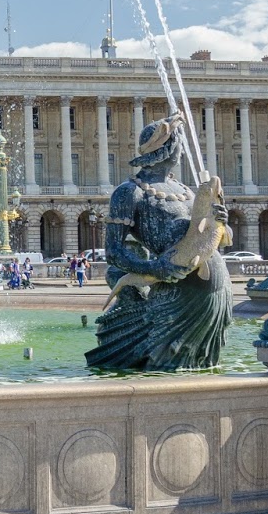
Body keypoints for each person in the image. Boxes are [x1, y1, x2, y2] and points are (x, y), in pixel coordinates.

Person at [86, 113, 232, 372]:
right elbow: (114, 253)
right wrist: (155, 269)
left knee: (200, 365)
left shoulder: (186, 189)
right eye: (179, 143)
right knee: (168, 363)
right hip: (177, 286)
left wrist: (220, 220)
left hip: (216, 286)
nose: (182, 150)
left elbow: (211, 236)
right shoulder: (130, 192)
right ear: (169, 149)